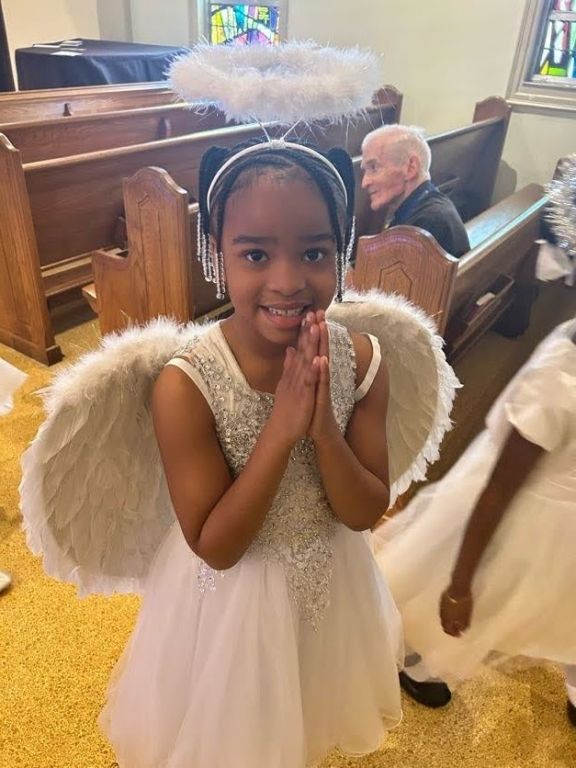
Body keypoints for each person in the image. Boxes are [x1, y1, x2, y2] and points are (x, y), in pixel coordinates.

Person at [375, 318, 576, 725]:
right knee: (471, 597)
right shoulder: (559, 383)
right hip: (521, 512)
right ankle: (416, 661)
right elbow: (499, 491)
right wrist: (459, 586)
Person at [361, 124, 470, 258]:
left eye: (373, 167)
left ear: (410, 168)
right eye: (365, 170)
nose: (364, 183)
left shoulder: (424, 227)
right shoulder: (428, 206)